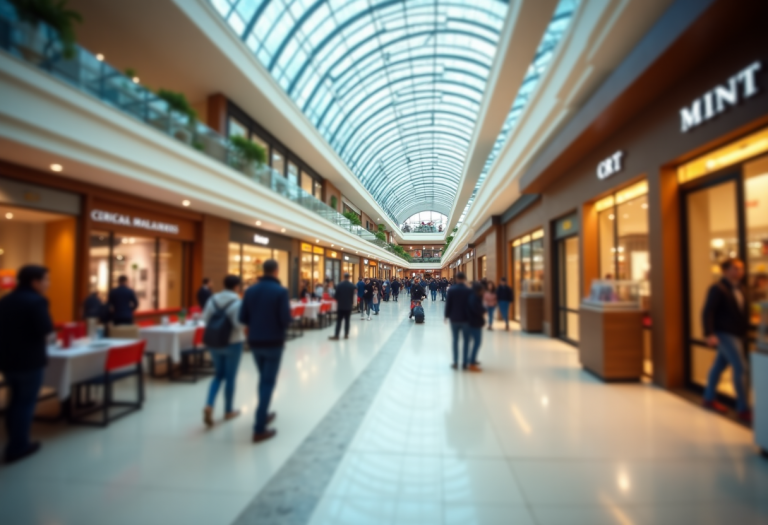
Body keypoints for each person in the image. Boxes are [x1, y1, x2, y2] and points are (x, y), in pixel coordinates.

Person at [0, 265, 53, 463]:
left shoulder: (5, 300)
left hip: (7, 360)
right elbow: (45, 329)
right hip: (29, 361)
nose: (48, 284)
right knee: (25, 403)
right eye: (46, 280)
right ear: (35, 282)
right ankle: (18, 446)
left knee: (14, 401)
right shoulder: (37, 302)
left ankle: (13, 441)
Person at [239, 259, 292, 443]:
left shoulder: (250, 291)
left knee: (263, 379)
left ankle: (264, 412)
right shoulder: (281, 291)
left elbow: (242, 317)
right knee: (268, 382)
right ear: (276, 271)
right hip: (274, 343)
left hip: (255, 342)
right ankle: (259, 427)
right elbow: (286, 319)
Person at [701, 258, 751, 422]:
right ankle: (743, 408)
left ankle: (708, 398)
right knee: (741, 368)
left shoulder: (742, 288)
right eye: (735, 268)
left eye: (741, 268)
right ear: (725, 271)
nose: (739, 271)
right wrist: (709, 333)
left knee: (719, 366)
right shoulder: (717, 288)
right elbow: (708, 311)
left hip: (737, 334)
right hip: (724, 333)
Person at [202, 275, 245, 427]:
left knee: (218, 375)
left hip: (214, 343)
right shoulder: (237, 302)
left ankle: (209, 405)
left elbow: (205, 319)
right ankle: (228, 411)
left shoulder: (212, 300)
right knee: (230, 377)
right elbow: (239, 324)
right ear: (237, 287)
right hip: (233, 343)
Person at [444, 272, 472, 370]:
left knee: (455, 340)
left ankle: (455, 362)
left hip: (454, 318)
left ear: (456, 279)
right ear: (464, 279)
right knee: (466, 341)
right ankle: (464, 363)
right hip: (466, 319)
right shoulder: (469, 290)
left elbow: (448, 304)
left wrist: (446, 316)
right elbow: (471, 305)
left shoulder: (452, 290)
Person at [466, 282, 487, 372]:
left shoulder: (473, 297)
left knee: (473, 342)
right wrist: (484, 309)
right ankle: (471, 363)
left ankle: (471, 359)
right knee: (477, 342)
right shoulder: (474, 298)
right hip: (474, 323)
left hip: (473, 322)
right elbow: (477, 310)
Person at [330, 273, 356, 340]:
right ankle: (346, 334)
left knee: (339, 321)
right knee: (347, 320)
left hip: (341, 306)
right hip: (348, 305)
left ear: (344, 277)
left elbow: (336, 296)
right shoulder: (351, 285)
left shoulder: (339, 285)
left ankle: (336, 335)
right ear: (349, 277)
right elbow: (353, 295)